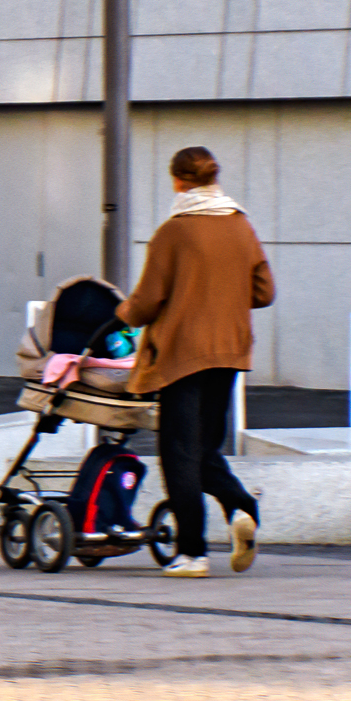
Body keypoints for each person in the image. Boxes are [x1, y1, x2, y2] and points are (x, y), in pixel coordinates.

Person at [116, 147, 275, 578]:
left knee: (180, 454)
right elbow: (264, 292)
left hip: (183, 355)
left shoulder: (174, 232)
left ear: (178, 181)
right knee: (205, 449)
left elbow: (147, 301)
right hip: (230, 352)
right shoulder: (241, 225)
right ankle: (241, 509)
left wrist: (121, 316)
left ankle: (192, 553)